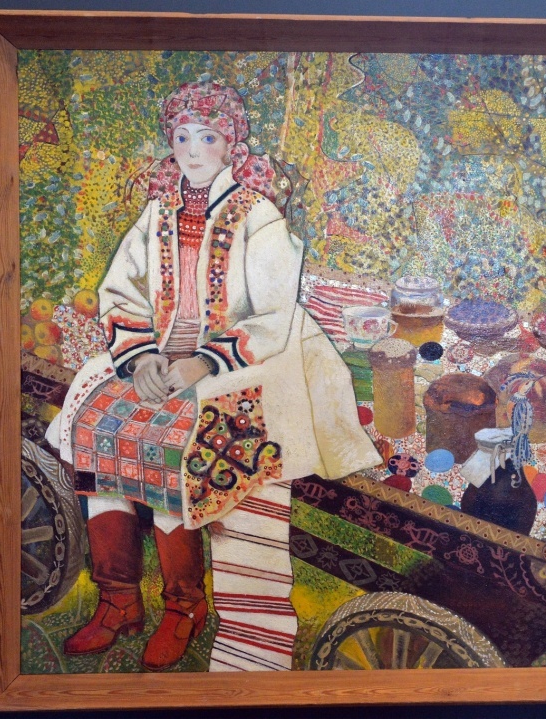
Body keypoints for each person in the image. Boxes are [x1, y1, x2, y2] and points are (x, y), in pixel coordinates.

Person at [46, 80, 380, 672]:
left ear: (231, 145)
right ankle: (119, 600)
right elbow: (120, 291)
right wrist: (142, 358)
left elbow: (274, 314)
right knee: (100, 427)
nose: (193, 151)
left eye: (207, 138)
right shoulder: (158, 213)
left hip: (241, 361)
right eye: (181, 138)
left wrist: (202, 361)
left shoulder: (259, 215)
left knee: (171, 445)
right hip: (157, 357)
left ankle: (184, 606)